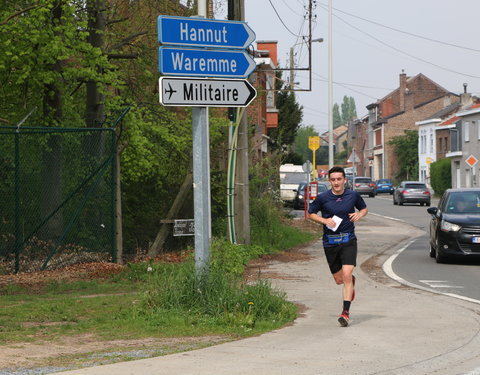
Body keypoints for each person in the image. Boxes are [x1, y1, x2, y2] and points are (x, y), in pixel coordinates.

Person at [308, 166, 368, 327]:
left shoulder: (353, 195)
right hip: (330, 242)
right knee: (339, 280)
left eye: (339, 179)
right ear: (329, 181)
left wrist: (359, 214)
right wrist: (325, 221)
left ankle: (345, 313)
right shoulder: (323, 198)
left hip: (348, 240)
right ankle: (350, 281)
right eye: (333, 180)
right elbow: (311, 213)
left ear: (344, 180)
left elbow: (364, 208)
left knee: (347, 274)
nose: (336, 182)